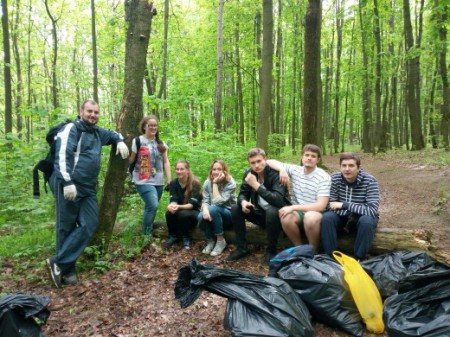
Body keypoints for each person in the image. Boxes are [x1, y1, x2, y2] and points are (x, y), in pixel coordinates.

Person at [46, 99, 129, 288]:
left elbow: (113, 133)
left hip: (88, 187)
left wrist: (120, 140)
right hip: (68, 184)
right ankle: (67, 270)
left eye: (96, 112)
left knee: (90, 223)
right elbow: (61, 157)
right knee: (65, 226)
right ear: (81, 111)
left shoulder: (98, 132)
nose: (93, 115)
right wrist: (67, 182)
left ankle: (57, 262)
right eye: (89, 111)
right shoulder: (71, 129)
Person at [225, 148, 291, 264]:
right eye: (253, 163)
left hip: (280, 217)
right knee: (236, 208)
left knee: (272, 210)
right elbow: (242, 194)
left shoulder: (276, 174)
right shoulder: (249, 174)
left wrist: (256, 185)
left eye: (259, 161)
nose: (256, 165)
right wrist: (243, 202)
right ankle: (242, 247)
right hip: (261, 215)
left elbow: (278, 201)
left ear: (265, 159)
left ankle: (271, 251)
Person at [267, 144, 331, 251]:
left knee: (310, 217)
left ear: (318, 160)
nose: (309, 158)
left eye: (313, 156)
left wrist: (293, 207)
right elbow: (269, 161)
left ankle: (312, 250)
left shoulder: (323, 177)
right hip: (299, 212)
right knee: (285, 217)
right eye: (307, 155)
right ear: (302, 157)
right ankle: (300, 249)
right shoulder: (296, 170)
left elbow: (321, 206)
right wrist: (281, 170)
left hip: (317, 213)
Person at [320, 152, 380, 260]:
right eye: (344, 165)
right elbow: (331, 205)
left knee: (367, 220)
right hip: (341, 217)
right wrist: (350, 211)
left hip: (362, 219)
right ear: (340, 167)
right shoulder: (334, 178)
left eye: (351, 166)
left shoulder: (370, 181)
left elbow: (372, 210)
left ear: (359, 167)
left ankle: (359, 257)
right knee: (327, 218)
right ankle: (330, 256)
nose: (347, 169)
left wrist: (344, 205)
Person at [129, 115, 171, 237]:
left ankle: (148, 229)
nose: (153, 127)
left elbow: (165, 162)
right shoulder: (137, 141)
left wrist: (169, 179)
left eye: (155, 125)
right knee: (153, 205)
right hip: (142, 180)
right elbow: (131, 160)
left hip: (158, 181)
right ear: (144, 126)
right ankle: (146, 235)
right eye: (150, 125)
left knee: (152, 207)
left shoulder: (161, 144)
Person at [198, 160, 236, 257]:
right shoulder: (207, 183)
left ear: (224, 171)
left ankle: (220, 240)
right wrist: (205, 210)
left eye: (219, 169)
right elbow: (205, 200)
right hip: (212, 213)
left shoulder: (230, 183)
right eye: (214, 169)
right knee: (200, 216)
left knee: (214, 208)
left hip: (228, 215)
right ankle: (210, 240)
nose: (216, 172)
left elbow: (217, 202)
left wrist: (215, 184)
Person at [165, 160, 202, 250]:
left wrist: (178, 207)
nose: (179, 171)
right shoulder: (173, 183)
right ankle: (173, 236)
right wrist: (172, 206)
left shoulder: (195, 183)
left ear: (187, 170)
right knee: (169, 213)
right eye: (177, 169)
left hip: (193, 212)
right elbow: (173, 199)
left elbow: (191, 205)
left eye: (182, 169)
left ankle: (186, 237)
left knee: (183, 214)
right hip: (180, 210)